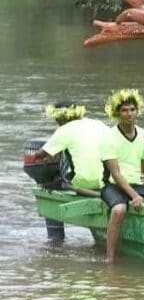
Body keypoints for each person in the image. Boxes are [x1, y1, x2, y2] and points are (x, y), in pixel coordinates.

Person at [33, 101, 108, 242]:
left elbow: (39, 155)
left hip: (85, 183)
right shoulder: (98, 124)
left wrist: (45, 156)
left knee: (53, 180)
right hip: (111, 180)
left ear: (60, 118)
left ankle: (56, 241)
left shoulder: (64, 129)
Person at [99, 89, 144, 262]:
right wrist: (135, 196)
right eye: (124, 110)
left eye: (132, 109)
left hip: (135, 184)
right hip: (113, 185)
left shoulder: (143, 135)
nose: (129, 114)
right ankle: (109, 258)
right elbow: (115, 173)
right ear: (117, 113)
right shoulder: (109, 137)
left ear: (137, 111)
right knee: (119, 209)